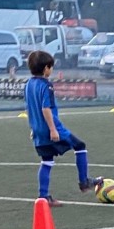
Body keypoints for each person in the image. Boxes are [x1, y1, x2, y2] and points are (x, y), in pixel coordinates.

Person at [23, 50, 102, 207]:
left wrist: (33, 127)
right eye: (51, 67)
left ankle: (43, 197)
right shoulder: (46, 86)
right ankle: (84, 182)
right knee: (80, 146)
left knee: (46, 161)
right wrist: (53, 129)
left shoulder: (28, 85)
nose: (51, 70)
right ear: (46, 68)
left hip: (38, 130)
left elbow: (30, 108)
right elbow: (45, 108)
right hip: (52, 128)